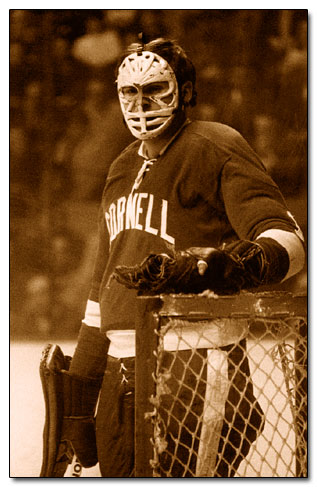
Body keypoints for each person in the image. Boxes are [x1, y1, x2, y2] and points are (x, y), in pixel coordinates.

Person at [60, 38, 305, 477]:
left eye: (155, 88)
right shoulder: (120, 168)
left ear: (187, 91)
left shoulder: (216, 144)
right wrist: (81, 394)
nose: (141, 102)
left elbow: (289, 241)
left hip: (196, 361)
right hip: (120, 375)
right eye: (130, 92)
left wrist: (235, 264)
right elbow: (101, 295)